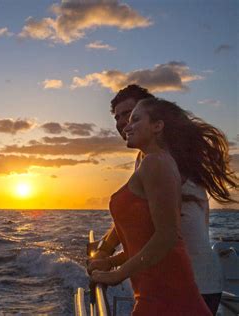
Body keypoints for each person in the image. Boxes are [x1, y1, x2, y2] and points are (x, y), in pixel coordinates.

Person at [89, 97, 237, 315]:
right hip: (162, 279)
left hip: (187, 279)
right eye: (119, 117)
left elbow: (168, 235)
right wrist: (110, 259)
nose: (124, 123)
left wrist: (116, 273)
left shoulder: (160, 162)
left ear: (158, 124)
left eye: (133, 116)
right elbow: (145, 229)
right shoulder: (149, 159)